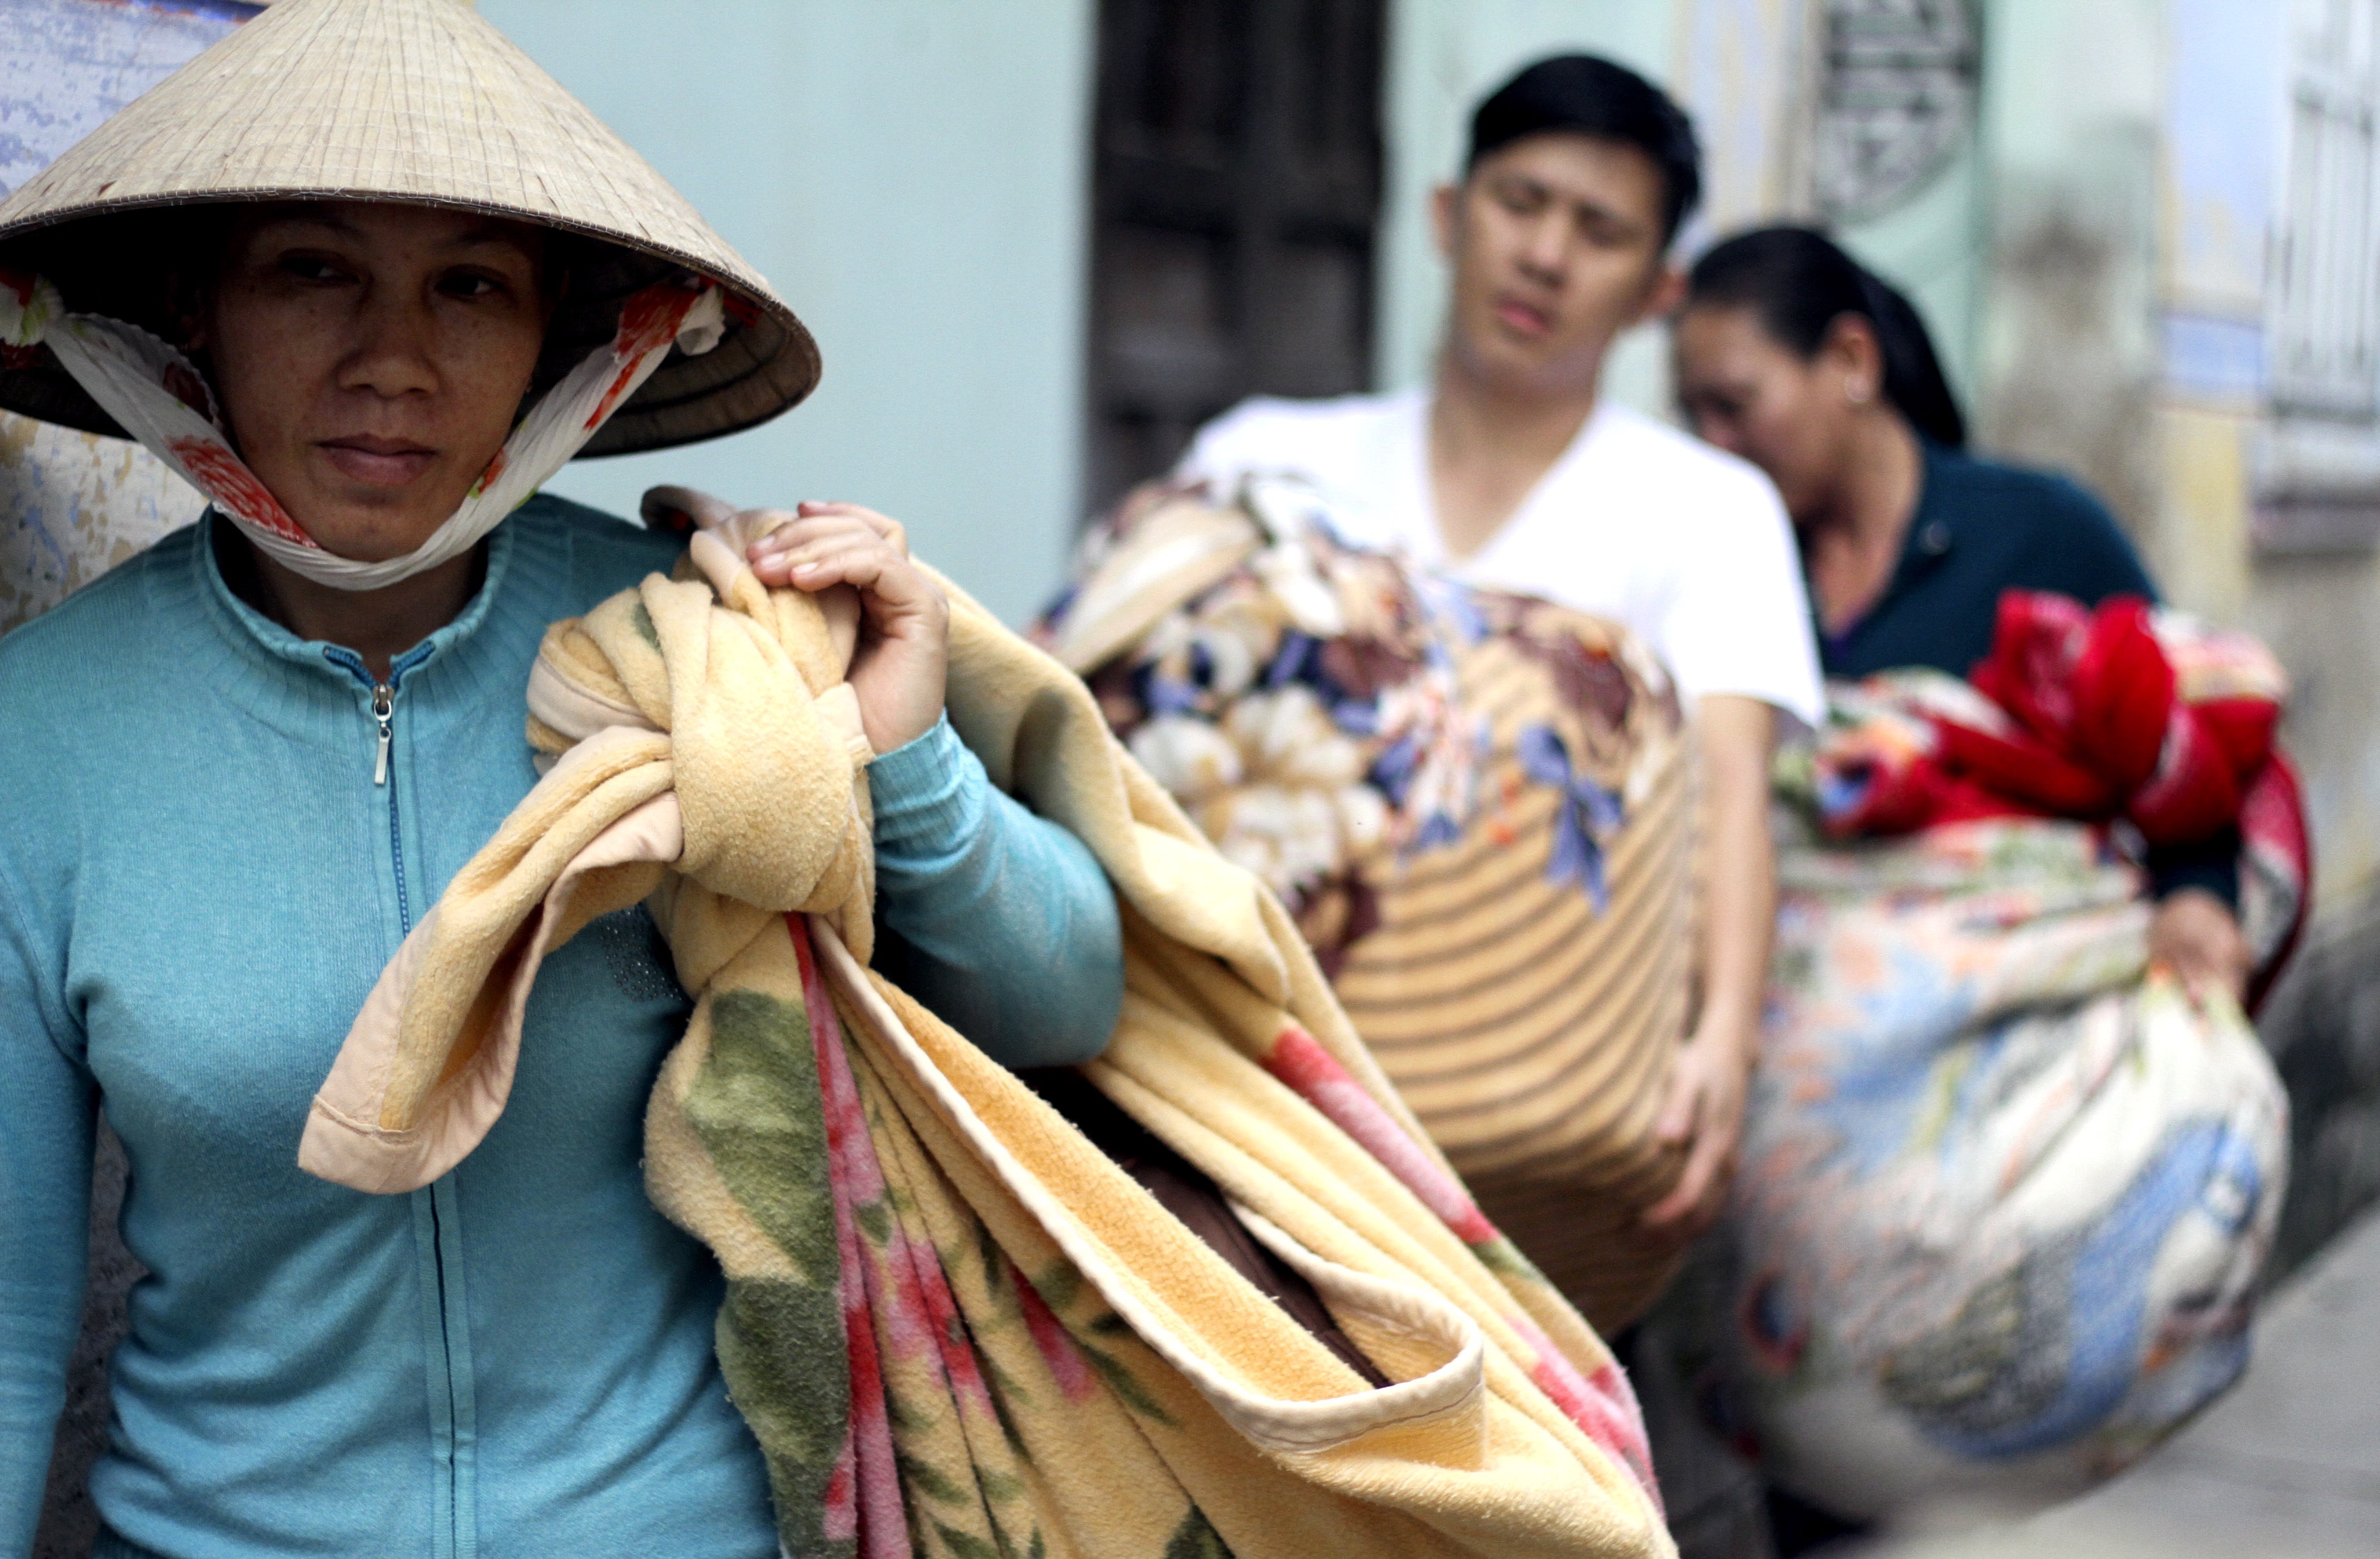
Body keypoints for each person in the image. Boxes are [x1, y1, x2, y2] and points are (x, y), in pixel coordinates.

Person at [0, 3, 1120, 1555]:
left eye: (470, 284)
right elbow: (6, 1322)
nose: (390, 359)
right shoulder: (41, 735)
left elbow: (1067, 1002)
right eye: (312, 270)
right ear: (196, 315)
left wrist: (898, 743)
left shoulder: (695, 644)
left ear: (568, 343)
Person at [1179, 54, 1822, 1246]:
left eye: (1600, 230)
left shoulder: (1711, 509)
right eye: (1518, 202)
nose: (1545, 255)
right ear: (1447, 213)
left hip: (1537, 1117)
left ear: (1655, 291)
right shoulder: (1262, 462)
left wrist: (1721, 1033)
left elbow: (1731, 790)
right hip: (1254, 1089)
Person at [1672, 224, 2250, 1000]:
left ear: (1851, 361)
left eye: (1736, 405)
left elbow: (2174, 753)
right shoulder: (1719, 568)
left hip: (2027, 1002)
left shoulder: (2042, 531)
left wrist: (2197, 896)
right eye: (1694, 417)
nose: (1717, 444)